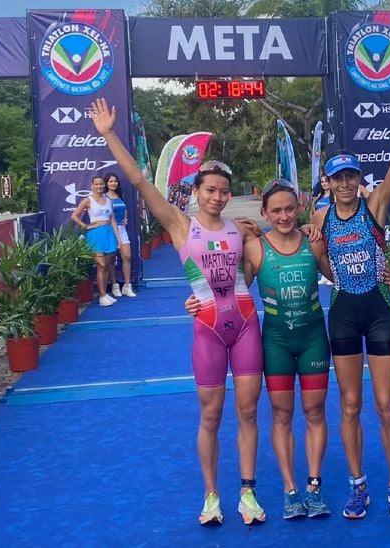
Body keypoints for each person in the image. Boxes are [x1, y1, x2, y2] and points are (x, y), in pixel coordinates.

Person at [91, 97, 268, 526]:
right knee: (210, 414)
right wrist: (110, 134)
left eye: (224, 191)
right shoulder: (178, 225)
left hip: (246, 325)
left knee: (247, 413)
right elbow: (136, 179)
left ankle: (247, 492)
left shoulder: (240, 228)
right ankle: (211, 495)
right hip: (207, 330)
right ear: (196, 192)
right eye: (210, 190)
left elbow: (264, 259)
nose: (218, 197)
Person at [309, 71, 390, 520]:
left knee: (385, 404)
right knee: (350, 404)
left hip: (379, 313)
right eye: (337, 178)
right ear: (328, 182)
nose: (345, 184)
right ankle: (358, 485)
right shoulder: (320, 216)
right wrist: (319, 255)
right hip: (342, 313)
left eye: (351, 177)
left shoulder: (375, 205)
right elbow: (325, 272)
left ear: (360, 179)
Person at [187, 179, 334, 520]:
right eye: (276, 210)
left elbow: (337, 276)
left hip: (313, 338)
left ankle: (313, 486)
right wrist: (196, 300)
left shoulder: (313, 242)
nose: (284, 216)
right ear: (265, 213)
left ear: (300, 207)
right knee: (281, 414)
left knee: (315, 412)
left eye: (290, 208)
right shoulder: (253, 246)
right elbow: (229, 289)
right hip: (276, 341)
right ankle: (289, 490)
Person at [70, 176, 121, 307]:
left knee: (107, 265)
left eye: (101, 184)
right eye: (96, 184)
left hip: (108, 233)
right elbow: (74, 215)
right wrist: (85, 226)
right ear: (92, 186)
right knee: (101, 265)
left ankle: (104, 294)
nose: (99, 186)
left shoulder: (108, 200)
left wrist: (118, 237)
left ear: (104, 185)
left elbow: (113, 220)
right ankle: (102, 296)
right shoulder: (88, 200)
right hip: (95, 235)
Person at [104, 173, 136, 298]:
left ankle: (127, 286)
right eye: (111, 181)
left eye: (115, 181)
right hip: (109, 230)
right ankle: (114, 285)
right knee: (111, 259)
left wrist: (125, 218)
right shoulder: (104, 197)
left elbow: (124, 210)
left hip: (122, 229)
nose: (113, 183)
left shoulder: (119, 196)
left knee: (127, 256)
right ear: (107, 183)